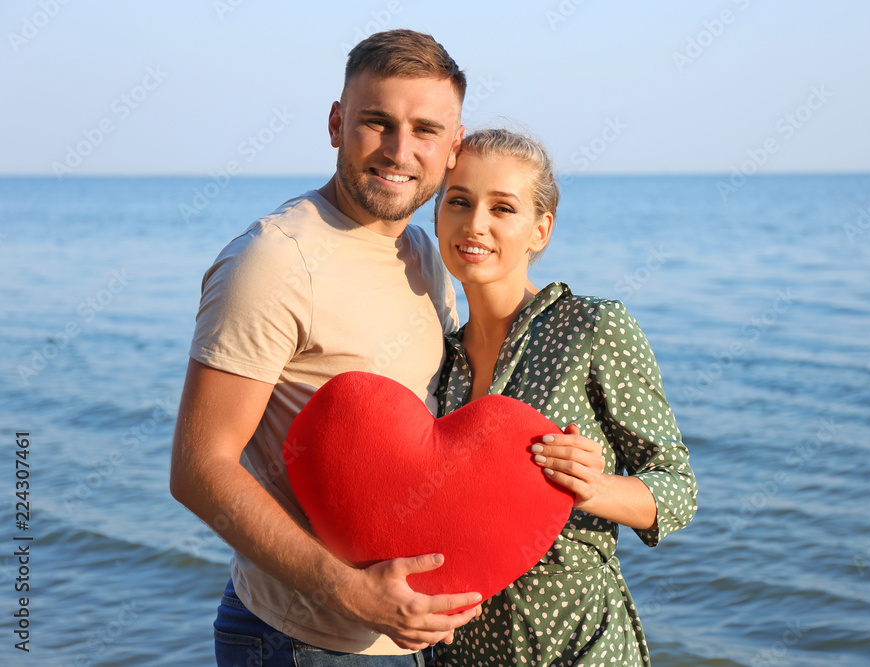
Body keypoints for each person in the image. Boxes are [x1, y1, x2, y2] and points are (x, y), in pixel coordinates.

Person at [169, 30, 484, 665]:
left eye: (425, 130)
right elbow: (200, 469)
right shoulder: (274, 259)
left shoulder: (424, 254)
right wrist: (353, 594)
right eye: (377, 122)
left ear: (453, 149)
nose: (399, 151)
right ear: (337, 123)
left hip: (405, 636)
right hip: (300, 640)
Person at [430, 128, 698, 665]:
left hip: (578, 644)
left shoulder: (592, 326)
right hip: (463, 651)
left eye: (502, 208)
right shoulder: (437, 357)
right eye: (458, 201)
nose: (474, 224)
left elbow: (678, 490)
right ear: (437, 215)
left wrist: (593, 488)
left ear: (540, 230)